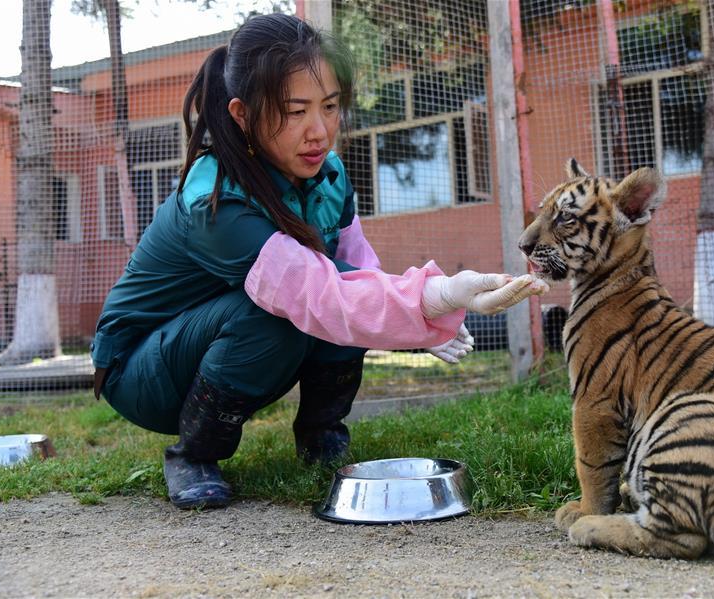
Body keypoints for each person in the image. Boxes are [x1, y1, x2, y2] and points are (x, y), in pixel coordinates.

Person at [91, 13, 548, 510]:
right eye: (294, 111)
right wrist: (434, 297)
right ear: (243, 114)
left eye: (330, 107)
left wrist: (421, 314)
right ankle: (194, 454)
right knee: (287, 310)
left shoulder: (327, 175)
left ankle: (321, 435)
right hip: (143, 373)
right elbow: (316, 295)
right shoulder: (215, 200)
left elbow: (360, 274)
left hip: (221, 343)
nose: (320, 130)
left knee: (345, 292)